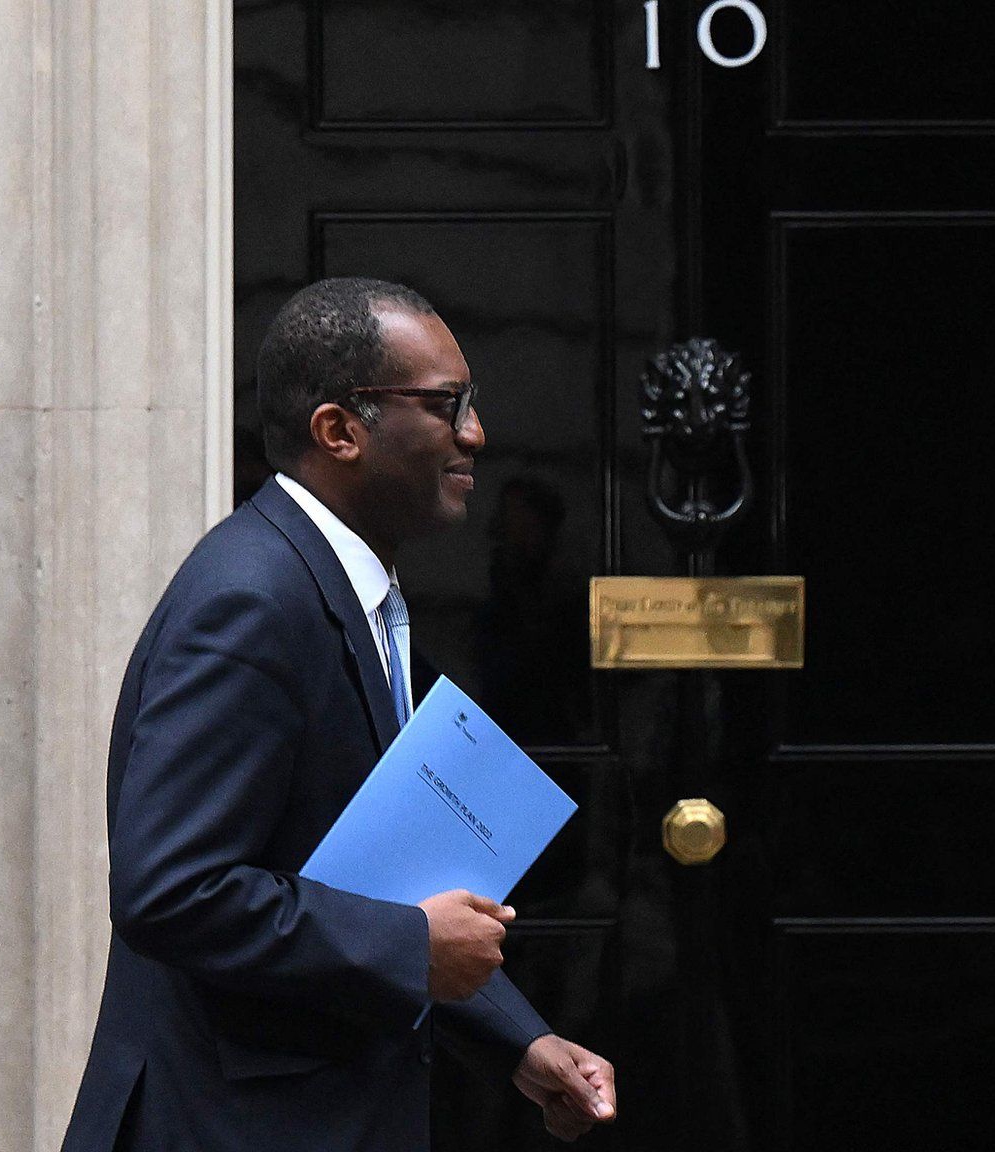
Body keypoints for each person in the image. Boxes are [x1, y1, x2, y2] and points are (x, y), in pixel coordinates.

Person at [59, 278, 617, 1151]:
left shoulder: (353, 595)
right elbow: (168, 889)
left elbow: (380, 874)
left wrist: (521, 1041)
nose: (475, 432)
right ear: (339, 430)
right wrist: (407, 947)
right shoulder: (250, 600)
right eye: (445, 405)